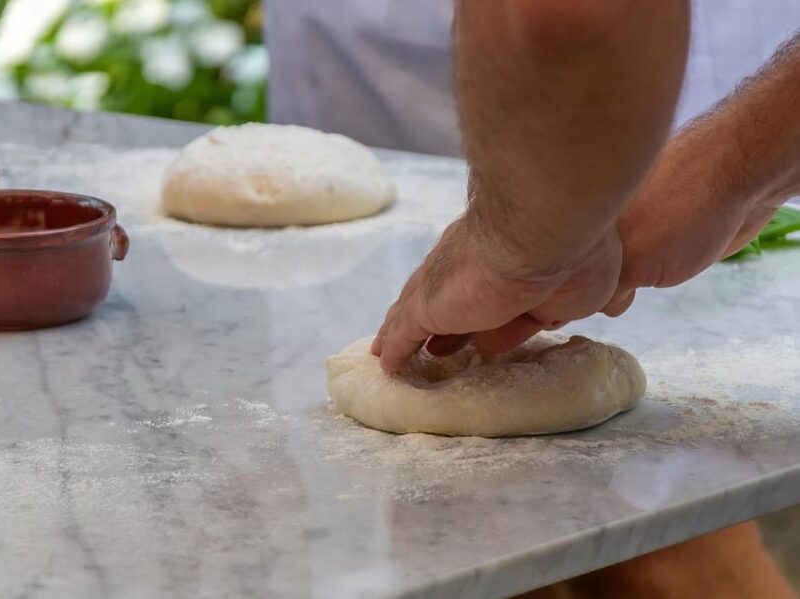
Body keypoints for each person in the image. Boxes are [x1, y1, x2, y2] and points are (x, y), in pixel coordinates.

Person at [266, 0, 799, 596]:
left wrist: (522, 237)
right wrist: (733, 164)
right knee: (472, 551)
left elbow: (569, 15)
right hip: (368, 68)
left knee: (658, 553)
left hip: (631, 87)